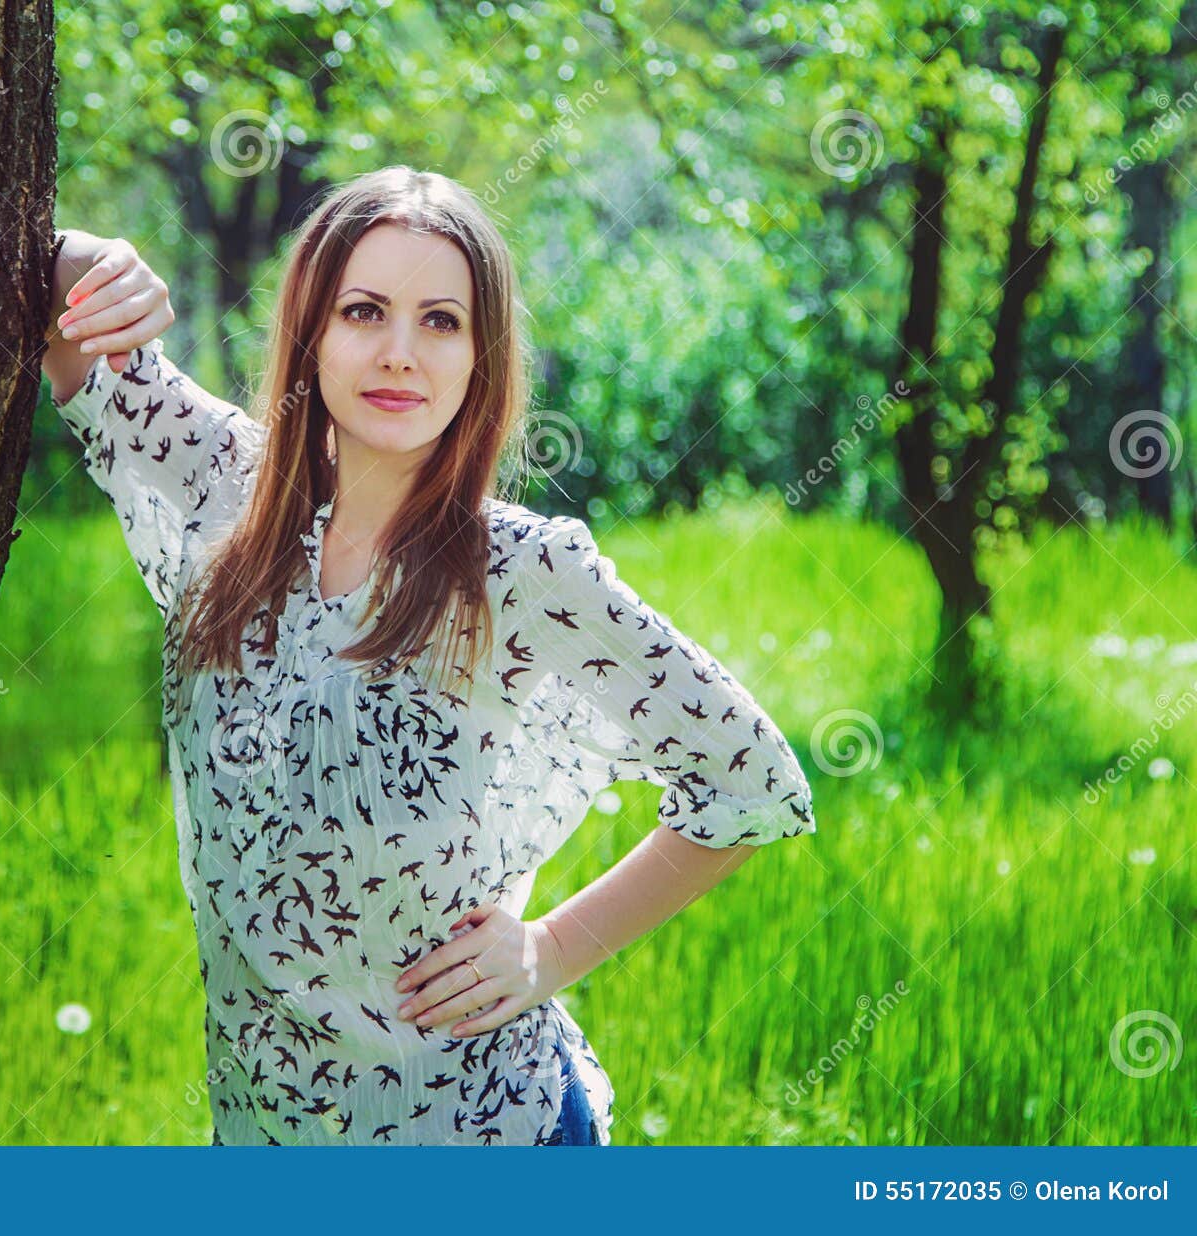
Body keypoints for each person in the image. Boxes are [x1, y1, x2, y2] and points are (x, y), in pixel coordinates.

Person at [41, 166, 817, 1147]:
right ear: (310, 332)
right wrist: (91, 260)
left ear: (480, 356)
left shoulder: (523, 570)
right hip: (265, 1135)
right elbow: (59, 319)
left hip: (482, 1131)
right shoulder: (222, 490)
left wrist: (548, 950)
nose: (399, 354)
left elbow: (747, 777)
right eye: (364, 311)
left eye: (440, 321)